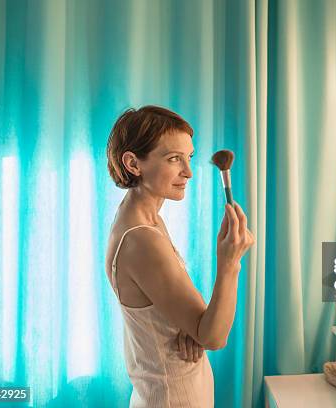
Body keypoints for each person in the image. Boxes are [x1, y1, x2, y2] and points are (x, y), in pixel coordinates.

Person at [105, 105, 254, 407]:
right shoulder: (141, 239)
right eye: (174, 158)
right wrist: (230, 264)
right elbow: (214, 337)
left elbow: (193, 323)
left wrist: (194, 326)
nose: (188, 171)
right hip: (173, 398)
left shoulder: (146, 220)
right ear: (133, 163)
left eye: (190, 157)